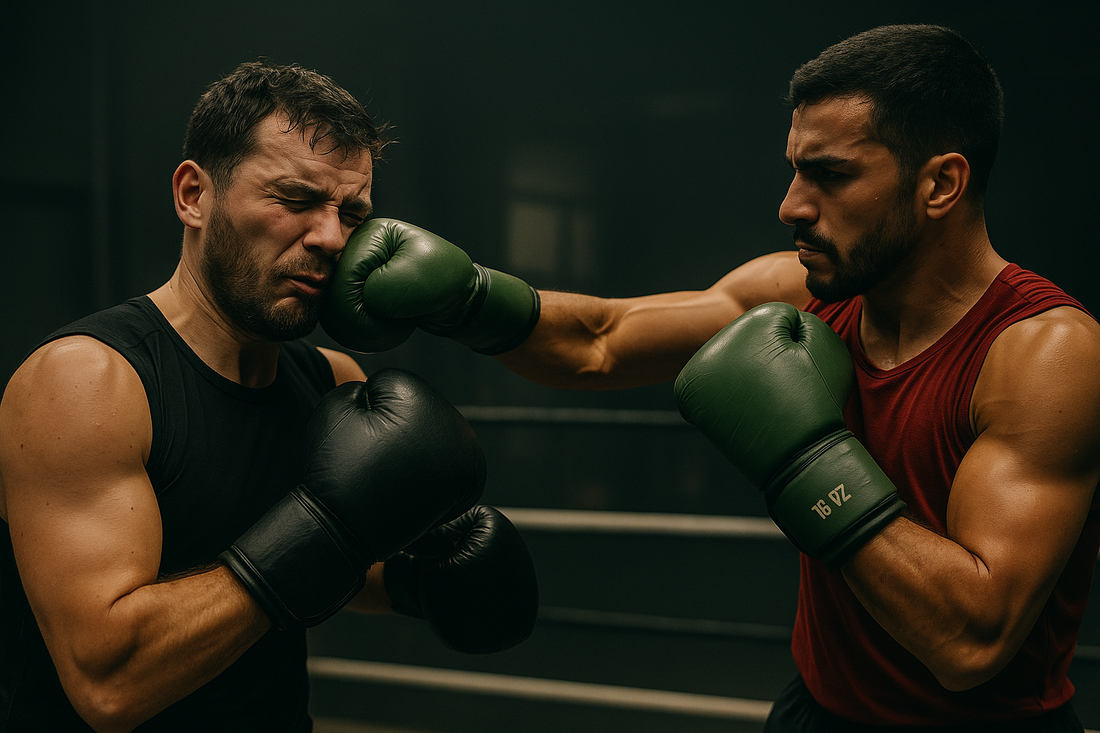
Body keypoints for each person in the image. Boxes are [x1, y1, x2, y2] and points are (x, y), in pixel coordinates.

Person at [318, 24, 1100, 731]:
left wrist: (806, 459)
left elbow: (970, 640)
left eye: (830, 175)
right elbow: (602, 340)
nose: (793, 204)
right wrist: (464, 298)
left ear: (940, 184)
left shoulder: (1045, 354)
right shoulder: (802, 294)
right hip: (816, 711)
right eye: (796, 170)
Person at [0, 61, 538, 732]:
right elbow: (112, 681)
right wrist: (323, 527)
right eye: (293, 198)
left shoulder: (328, 381)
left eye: (351, 213)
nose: (331, 237)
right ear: (194, 194)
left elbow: (331, 560)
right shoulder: (87, 382)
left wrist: (413, 578)